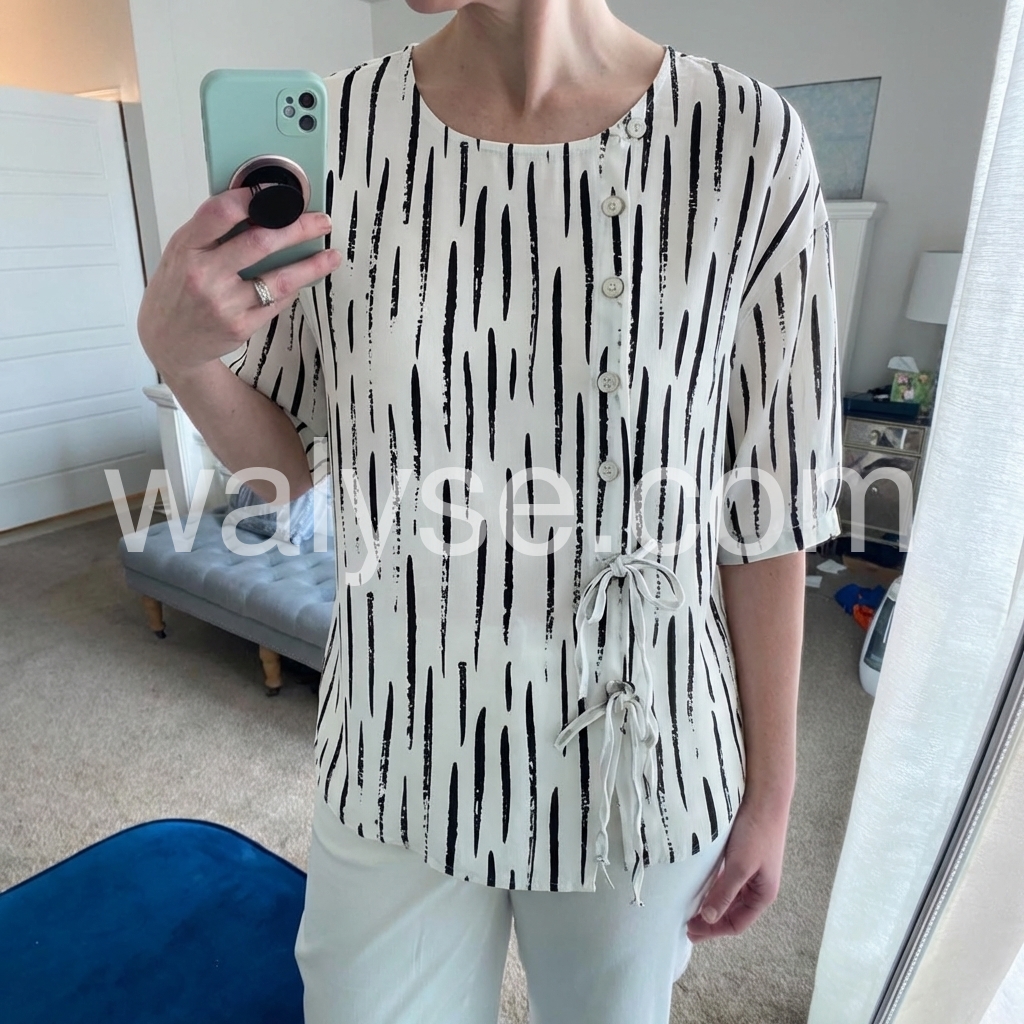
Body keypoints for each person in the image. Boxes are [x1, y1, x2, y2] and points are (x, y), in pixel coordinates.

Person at [138, 1, 842, 1021]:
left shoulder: (743, 139)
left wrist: (772, 792)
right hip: (396, 739)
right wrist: (181, 354)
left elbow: (767, 504)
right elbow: (283, 474)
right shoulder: (343, 136)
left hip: (637, 759)